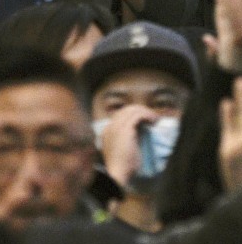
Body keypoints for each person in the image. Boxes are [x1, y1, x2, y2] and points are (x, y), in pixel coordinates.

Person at [83, 21, 199, 232]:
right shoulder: (71, 215)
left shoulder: (213, 222)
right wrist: (114, 180)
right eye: (117, 106)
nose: (139, 118)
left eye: (162, 104)